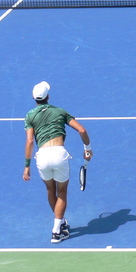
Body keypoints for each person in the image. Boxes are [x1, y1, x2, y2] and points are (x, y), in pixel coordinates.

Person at [23, 81, 92, 244]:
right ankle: (56, 231)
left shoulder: (29, 116)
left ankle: (59, 223)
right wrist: (87, 148)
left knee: (50, 190)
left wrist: (27, 166)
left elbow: (30, 142)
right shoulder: (60, 111)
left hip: (42, 157)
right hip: (59, 155)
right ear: (48, 96)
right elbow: (82, 130)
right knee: (62, 192)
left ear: (34, 98)